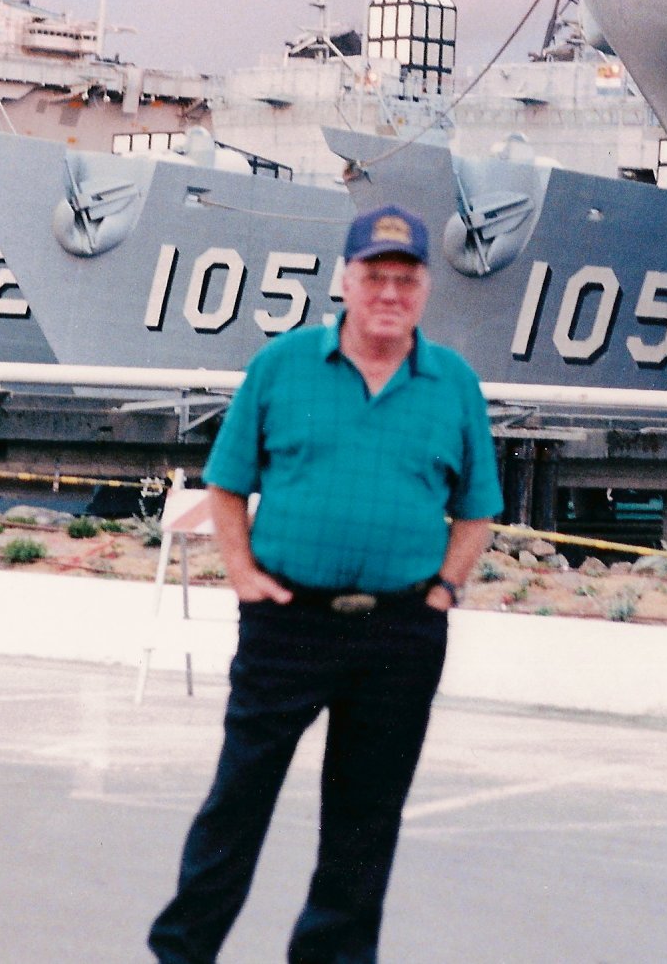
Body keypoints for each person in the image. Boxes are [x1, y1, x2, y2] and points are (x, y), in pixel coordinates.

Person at [148, 203, 502, 964]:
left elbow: (477, 509)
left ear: (425, 290)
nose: (389, 293)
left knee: (366, 816)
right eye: (374, 276)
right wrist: (241, 573)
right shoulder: (281, 367)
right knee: (238, 798)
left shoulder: (453, 384)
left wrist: (443, 591)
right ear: (344, 280)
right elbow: (227, 484)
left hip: (400, 632)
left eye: (405, 280)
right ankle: (181, 953)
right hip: (288, 622)